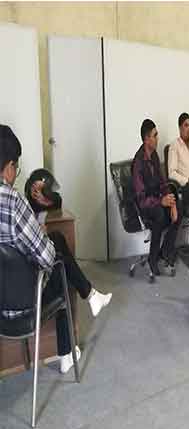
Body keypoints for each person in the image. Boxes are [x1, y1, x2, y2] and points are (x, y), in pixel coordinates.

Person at [0, 125, 112, 374]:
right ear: (8, 166)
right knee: (60, 261)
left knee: (57, 242)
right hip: (26, 303)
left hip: (2, 304)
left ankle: (91, 296)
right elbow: (47, 257)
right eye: (16, 168)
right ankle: (67, 351)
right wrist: (40, 236)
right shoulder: (13, 201)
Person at [132, 119, 180, 276]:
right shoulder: (138, 163)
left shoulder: (154, 156)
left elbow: (163, 183)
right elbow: (141, 199)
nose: (157, 138)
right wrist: (161, 201)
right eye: (155, 135)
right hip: (145, 206)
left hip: (157, 201)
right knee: (160, 213)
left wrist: (172, 202)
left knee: (180, 207)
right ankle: (152, 259)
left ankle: (164, 251)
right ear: (147, 139)